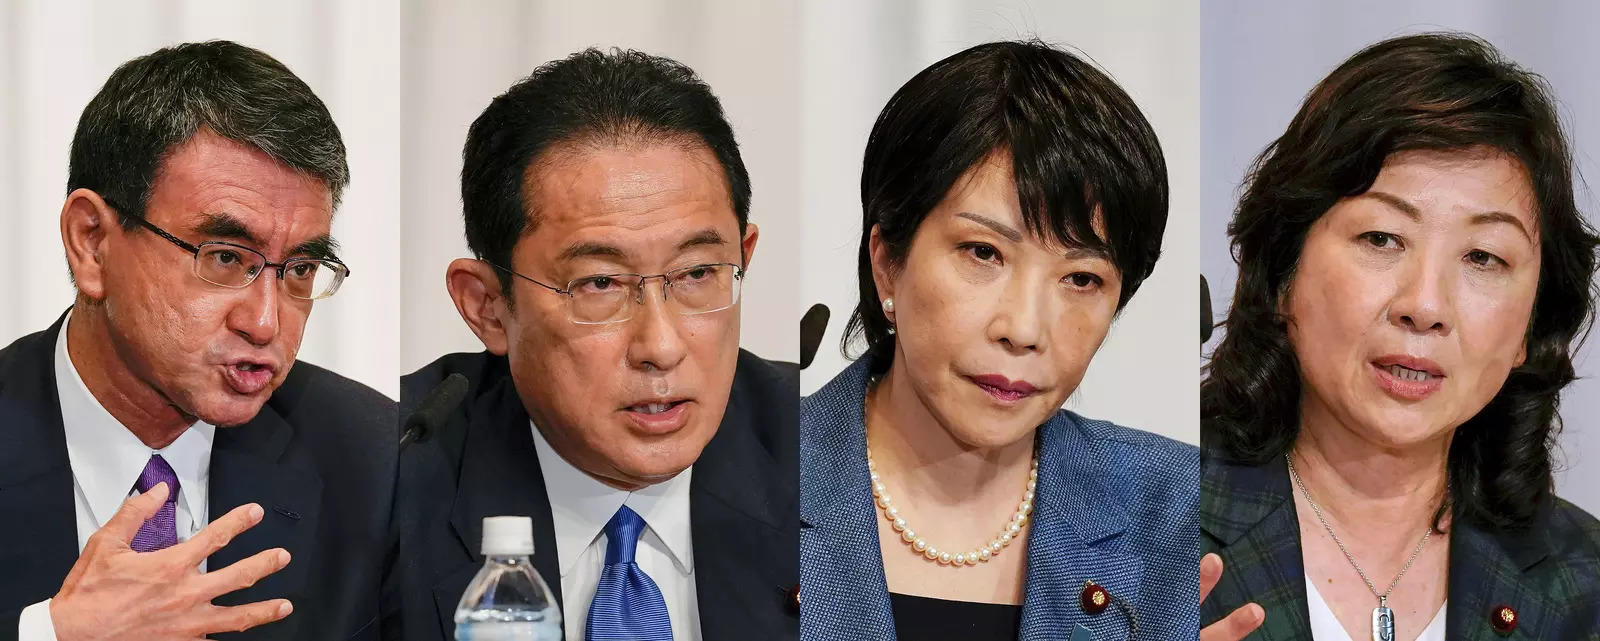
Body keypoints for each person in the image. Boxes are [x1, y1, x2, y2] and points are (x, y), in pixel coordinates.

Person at [384, 48, 798, 641]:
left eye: (698, 273)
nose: (660, 345)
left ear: (744, 258)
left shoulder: (833, 456)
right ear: (488, 307)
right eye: (599, 283)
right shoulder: (391, 474)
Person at [1201, 33, 1600, 640]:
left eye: (1484, 257)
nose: (1425, 306)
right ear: (1284, 275)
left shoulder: (1583, 585)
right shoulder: (1146, 530)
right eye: (1382, 239)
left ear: (1531, 326)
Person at [798, 40, 1199, 640]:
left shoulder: (1181, 512)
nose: (1024, 329)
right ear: (887, 261)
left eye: (1081, 278)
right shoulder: (753, 481)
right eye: (983, 253)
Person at [0, 41, 396, 640]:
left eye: (300, 269)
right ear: (92, 242)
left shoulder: (376, 460)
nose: (266, 324)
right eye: (226, 257)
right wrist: (51, 634)